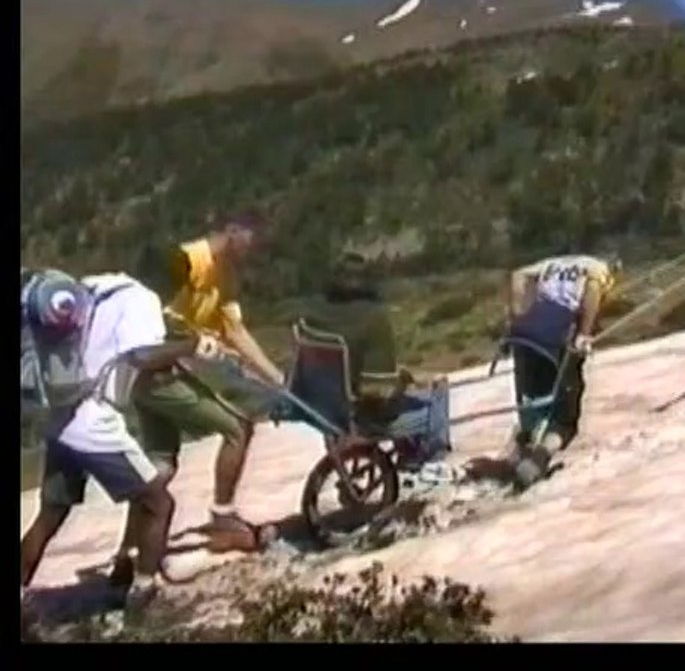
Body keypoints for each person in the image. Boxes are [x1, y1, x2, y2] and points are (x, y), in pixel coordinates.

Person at [19, 268, 225, 612]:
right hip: (92, 422)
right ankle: (142, 597)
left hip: (60, 415)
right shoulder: (144, 300)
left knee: (51, 514)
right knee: (159, 504)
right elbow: (141, 356)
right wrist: (193, 346)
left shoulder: (101, 285)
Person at [109, 214, 285, 585]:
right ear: (234, 232)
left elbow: (234, 331)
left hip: (150, 378)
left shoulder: (226, 277)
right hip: (157, 373)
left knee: (160, 468)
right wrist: (192, 344)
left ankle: (126, 555)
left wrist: (275, 377)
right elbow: (151, 316)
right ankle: (223, 516)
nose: (253, 254)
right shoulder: (186, 262)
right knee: (237, 427)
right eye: (252, 243)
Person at [299, 252, 450, 468]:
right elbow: (376, 389)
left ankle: (409, 459)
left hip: (327, 413)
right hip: (365, 419)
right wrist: (403, 379)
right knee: (437, 389)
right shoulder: (374, 318)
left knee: (407, 392)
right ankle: (433, 462)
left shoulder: (312, 317)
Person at [505, 252, 623, 491]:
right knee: (566, 415)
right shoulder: (599, 269)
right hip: (557, 342)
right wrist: (584, 334)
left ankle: (525, 445)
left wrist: (517, 316)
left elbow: (518, 275)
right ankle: (539, 458)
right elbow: (592, 292)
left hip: (525, 339)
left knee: (533, 397)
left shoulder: (554, 263)